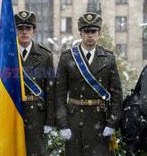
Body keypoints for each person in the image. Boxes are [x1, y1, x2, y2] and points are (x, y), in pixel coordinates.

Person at [55, 12, 123, 156]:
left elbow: (117, 94)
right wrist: (62, 124)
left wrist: (112, 123)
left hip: (100, 121)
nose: (90, 35)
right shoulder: (68, 57)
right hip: (74, 122)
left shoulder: (108, 57)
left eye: (93, 31)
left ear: (99, 34)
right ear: (80, 33)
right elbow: (59, 94)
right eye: (86, 31)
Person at [14, 10, 55, 155]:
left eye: (28, 29)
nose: (24, 32)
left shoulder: (45, 56)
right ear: (15, 31)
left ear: (34, 31)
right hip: (13, 113)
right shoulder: (5, 55)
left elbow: (51, 90)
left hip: (37, 116)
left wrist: (50, 120)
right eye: (20, 28)